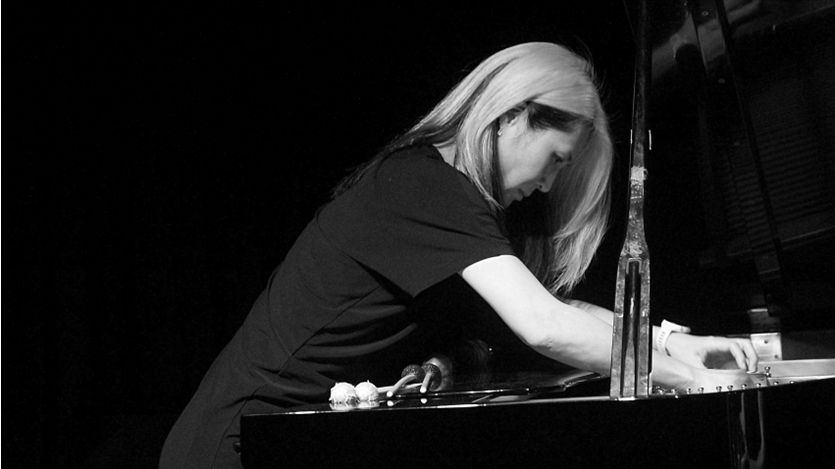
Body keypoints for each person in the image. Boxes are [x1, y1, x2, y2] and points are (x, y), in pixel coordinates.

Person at [159, 42, 758, 469]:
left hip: (291, 440)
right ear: (511, 116)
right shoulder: (423, 185)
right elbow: (546, 325)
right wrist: (688, 381)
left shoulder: (451, 197)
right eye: (555, 160)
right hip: (237, 444)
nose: (549, 185)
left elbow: (553, 307)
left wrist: (666, 342)